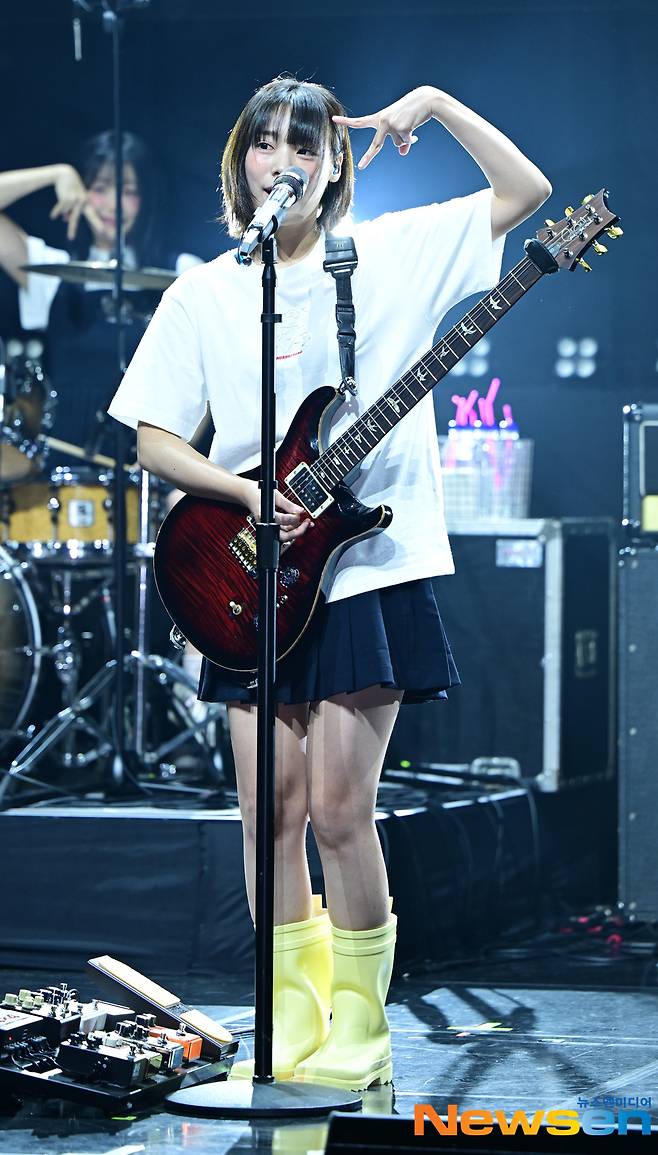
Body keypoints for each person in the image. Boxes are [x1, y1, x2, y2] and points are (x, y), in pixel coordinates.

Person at [108, 76, 551, 1091]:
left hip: (368, 568)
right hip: (252, 572)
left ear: (334, 163)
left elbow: (525, 193)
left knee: (342, 808)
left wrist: (433, 105)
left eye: (304, 144)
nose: (284, 161)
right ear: (241, 163)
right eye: (265, 143)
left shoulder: (390, 252)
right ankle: (292, 1018)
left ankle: (362, 1027)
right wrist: (243, 493)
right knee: (267, 812)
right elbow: (153, 438)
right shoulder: (205, 292)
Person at [0, 131, 199, 456]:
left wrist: (182, 458)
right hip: (65, 464)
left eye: (129, 191)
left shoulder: (183, 272)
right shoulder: (52, 270)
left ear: (146, 198)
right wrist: (57, 174)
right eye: (100, 188)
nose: (113, 204)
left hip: (149, 464)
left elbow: (211, 379)